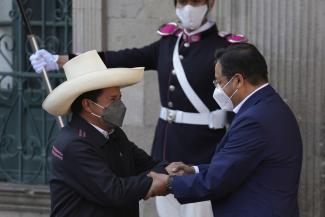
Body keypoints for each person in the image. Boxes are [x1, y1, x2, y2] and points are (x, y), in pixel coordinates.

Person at [29, 1, 247, 216]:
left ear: (210, 3)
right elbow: (123, 57)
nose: (189, 7)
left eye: (196, 1)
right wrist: (61, 60)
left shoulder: (226, 46)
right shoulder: (169, 42)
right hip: (167, 144)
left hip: (204, 148)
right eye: (183, 1)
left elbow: (237, 101)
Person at [147, 43, 303, 217]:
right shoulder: (268, 106)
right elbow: (236, 166)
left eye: (219, 82)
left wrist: (169, 183)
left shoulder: (254, 120)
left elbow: (217, 181)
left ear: (237, 80)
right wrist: (193, 170)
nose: (217, 89)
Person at [43, 50, 176, 217]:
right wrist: (153, 181)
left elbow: (148, 164)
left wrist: (170, 169)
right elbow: (113, 191)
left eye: (120, 98)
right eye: (113, 100)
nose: (120, 105)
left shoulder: (114, 134)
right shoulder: (73, 145)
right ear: (88, 105)